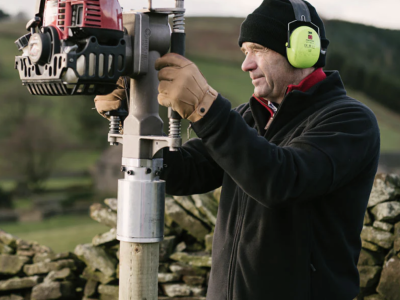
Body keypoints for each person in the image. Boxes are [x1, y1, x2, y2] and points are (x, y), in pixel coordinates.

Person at [95, 0, 380, 299]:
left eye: (258, 49)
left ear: (303, 47)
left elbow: (281, 180)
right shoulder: (249, 116)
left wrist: (206, 108)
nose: (246, 64)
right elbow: (185, 172)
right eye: (245, 52)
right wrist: (132, 117)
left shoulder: (350, 121)